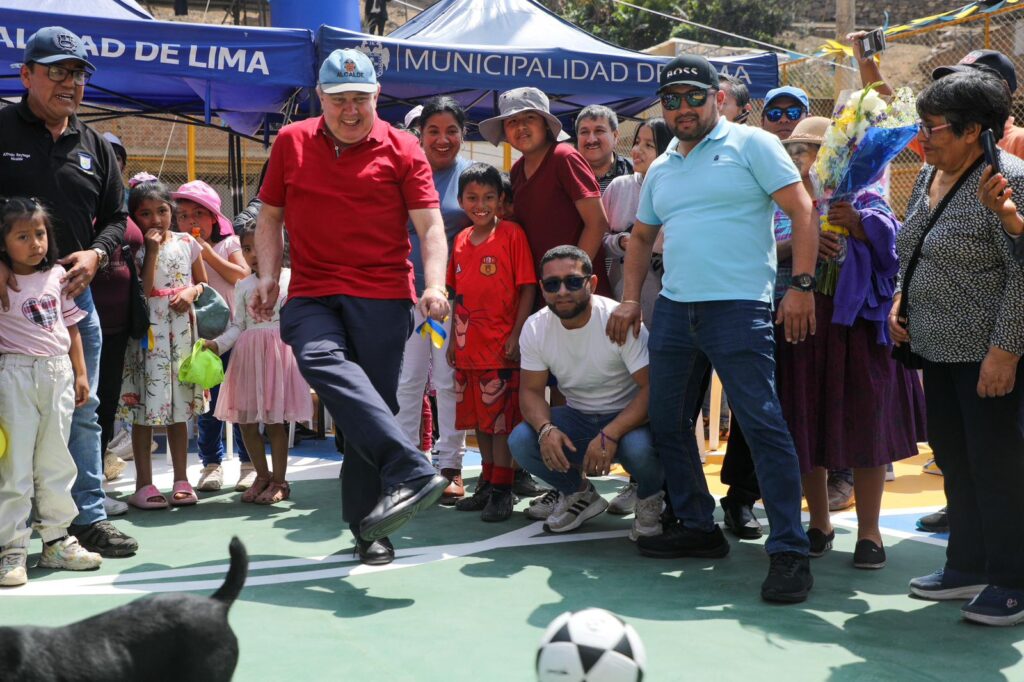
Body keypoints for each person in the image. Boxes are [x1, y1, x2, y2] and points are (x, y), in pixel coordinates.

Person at [607, 54, 818, 603]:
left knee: (762, 424)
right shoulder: (662, 168)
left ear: (717, 98)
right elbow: (640, 239)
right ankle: (699, 528)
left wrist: (800, 287)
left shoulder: (754, 145)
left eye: (693, 97)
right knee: (668, 422)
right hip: (676, 310)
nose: (682, 108)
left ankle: (789, 550)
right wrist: (631, 299)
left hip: (739, 308)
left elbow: (802, 210)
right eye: (671, 100)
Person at [253, 49, 449, 567]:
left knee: (370, 412)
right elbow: (270, 217)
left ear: (376, 98)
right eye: (338, 99)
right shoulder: (292, 142)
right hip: (313, 291)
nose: (350, 110)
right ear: (320, 98)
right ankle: (409, 466)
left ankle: (370, 530)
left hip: (385, 296)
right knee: (316, 354)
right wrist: (269, 275)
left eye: (360, 99)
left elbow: (430, 226)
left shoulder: (404, 147)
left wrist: (436, 286)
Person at [0, 26, 137, 557]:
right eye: (57, 70)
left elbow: (118, 217)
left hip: (70, 305)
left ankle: (83, 520)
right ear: (26, 74)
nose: (69, 82)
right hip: (6, 304)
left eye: (78, 73)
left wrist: (98, 254)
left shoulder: (95, 145)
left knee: (81, 407)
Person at [895, 70, 1024, 626]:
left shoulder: (1006, 178)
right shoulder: (931, 172)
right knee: (954, 459)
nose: (924, 139)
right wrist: (902, 302)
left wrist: (1006, 351)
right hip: (938, 350)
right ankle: (967, 564)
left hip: (987, 355)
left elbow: (1023, 272)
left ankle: (1012, 580)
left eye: (934, 128)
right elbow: (917, 247)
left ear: (974, 130)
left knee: (998, 467)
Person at [777, 117, 926, 568]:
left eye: (818, 150)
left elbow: (894, 250)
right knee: (808, 419)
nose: (809, 160)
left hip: (859, 326)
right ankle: (818, 523)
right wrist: (803, 242)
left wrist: (860, 226)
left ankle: (869, 532)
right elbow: (768, 245)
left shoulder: (867, 197)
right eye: (801, 151)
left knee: (867, 422)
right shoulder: (793, 202)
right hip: (806, 322)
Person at [509, 246, 665, 540]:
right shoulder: (535, 327)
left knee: (640, 451)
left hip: (631, 419)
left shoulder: (618, 320)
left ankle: (650, 496)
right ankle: (578, 493)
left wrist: (611, 433)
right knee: (522, 440)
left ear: (592, 283)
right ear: (543, 289)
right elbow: (530, 392)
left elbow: (652, 389)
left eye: (573, 281)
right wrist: (546, 429)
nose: (563, 291)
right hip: (579, 417)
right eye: (553, 284)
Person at [0, 197, 103, 587]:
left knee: (57, 460)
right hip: (15, 375)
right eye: (22, 236)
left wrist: (79, 373)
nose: (34, 243)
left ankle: (57, 540)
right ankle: (11, 548)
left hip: (58, 372)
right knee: (15, 466)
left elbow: (72, 327)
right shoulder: (2, 280)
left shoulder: (59, 277)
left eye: (39, 234)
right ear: (4, 243)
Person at [444, 163, 536, 521]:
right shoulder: (461, 240)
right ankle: (486, 481)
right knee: (479, 422)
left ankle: (503, 488)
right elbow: (457, 296)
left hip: (501, 346)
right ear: (461, 200)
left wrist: (516, 333)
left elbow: (527, 286)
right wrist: (453, 338)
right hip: (469, 349)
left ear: (500, 200)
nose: (480, 205)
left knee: (501, 422)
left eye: (488, 197)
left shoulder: (512, 234)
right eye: (472, 197)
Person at [394, 97, 472, 503]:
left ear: (463, 134)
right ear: (420, 135)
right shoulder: (405, 172)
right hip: (405, 296)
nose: (443, 139)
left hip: (451, 302)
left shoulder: (475, 177)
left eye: (452, 131)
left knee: (446, 381)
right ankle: (409, 464)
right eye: (433, 131)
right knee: (407, 382)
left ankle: (450, 466)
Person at [204, 223, 312, 505]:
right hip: (247, 361)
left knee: (276, 423)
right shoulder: (242, 285)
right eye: (247, 249)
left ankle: (280, 481)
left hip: (279, 358)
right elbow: (238, 325)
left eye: (260, 247)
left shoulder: (291, 279)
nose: (253, 254)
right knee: (247, 423)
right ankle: (261, 475)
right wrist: (217, 345)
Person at [117, 180, 208, 509]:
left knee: (179, 409)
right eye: (146, 213)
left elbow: (203, 282)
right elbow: (143, 289)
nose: (155, 218)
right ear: (134, 217)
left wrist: (191, 292)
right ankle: (144, 484)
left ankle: (181, 479)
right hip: (148, 334)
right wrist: (152, 251)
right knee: (143, 409)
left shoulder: (187, 242)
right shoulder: (134, 248)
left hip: (181, 334)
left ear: (172, 211)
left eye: (162, 211)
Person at [478, 87, 612, 297]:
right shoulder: (516, 171)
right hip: (543, 290)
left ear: (545, 124)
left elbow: (597, 222)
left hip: (578, 293)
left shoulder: (564, 157)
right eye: (512, 121)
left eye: (529, 117)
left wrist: (573, 276)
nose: (520, 126)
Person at [172, 180, 253, 493]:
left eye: (199, 214)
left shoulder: (229, 243)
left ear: (214, 218)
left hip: (237, 334)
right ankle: (211, 464)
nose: (191, 221)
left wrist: (206, 252)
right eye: (184, 215)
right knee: (209, 404)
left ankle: (249, 463)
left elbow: (242, 275)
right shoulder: (179, 248)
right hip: (202, 340)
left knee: (243, 402)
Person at [92, 137, 140, 499]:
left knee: (106, 403)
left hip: (120, 323)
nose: (112, 163)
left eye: (117, 157)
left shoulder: (126, 202)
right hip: (81, 318)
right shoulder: (77, 196)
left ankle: (95, 484)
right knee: (81, 404)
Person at [601, 117, 673, 324]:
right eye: (636, 142)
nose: (636, 150)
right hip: (620, 302)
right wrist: (620, 242)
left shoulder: (680, 191)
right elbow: (600, 240)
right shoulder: (618, 187)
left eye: (649, 145)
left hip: (667, 309)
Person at [574, 105, 633, 193]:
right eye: (584, 132)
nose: (591, 139)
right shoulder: (566, 175)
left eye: (599, 131)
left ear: (615, 136)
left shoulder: (634, 173)